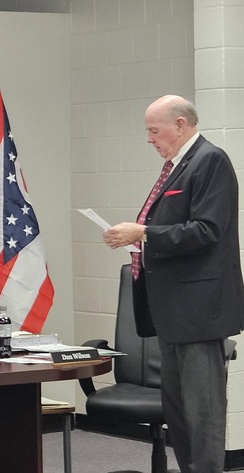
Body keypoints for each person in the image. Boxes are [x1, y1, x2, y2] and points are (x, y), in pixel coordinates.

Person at [103, 95, 244, 473]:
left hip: (199, 311)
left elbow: (207, 231)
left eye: (154, 130)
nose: (149, 138)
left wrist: (144, 232)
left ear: (180, 124)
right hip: (171, 313)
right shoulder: (176, 166)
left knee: (203, 414)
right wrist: (138, 237)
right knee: (179, 412)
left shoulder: (209, 161)